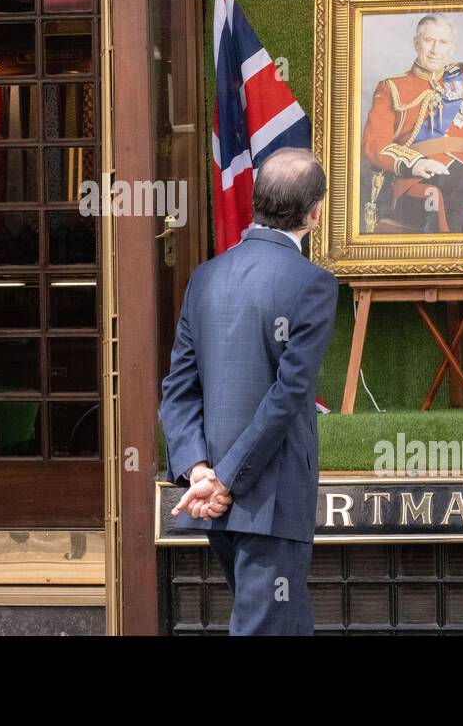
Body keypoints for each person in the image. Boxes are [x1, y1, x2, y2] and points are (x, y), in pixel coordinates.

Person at [158, 147, 339, 635]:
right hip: (265, 496)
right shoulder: (313, 283)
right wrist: (224, 481)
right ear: (315, 212)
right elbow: (288, 396)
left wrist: (201, 471)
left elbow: (178, 388)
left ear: (256, 201)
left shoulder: (205, 276)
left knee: (282, 622)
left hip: (217, 495)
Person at [361, 13, 463, 233]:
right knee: (457, 184)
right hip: (415, 177)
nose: (435, 50)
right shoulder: (391, 87)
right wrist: (416, 163)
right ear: (416, 43)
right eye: (429, 41)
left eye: (443, 42)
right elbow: (373, 144)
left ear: (451, 48)